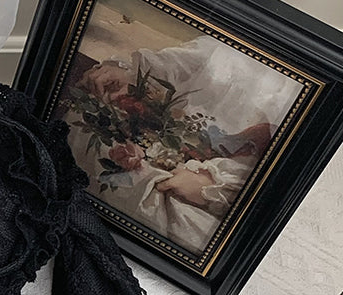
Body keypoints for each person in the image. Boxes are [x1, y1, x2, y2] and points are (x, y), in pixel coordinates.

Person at [69, 34, 303, 253]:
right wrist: (126, 74)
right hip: (165, 146)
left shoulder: (302, 93)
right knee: (89, 121)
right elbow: (167, 66)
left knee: (195, 225)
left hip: (218, 186)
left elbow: (283, 173)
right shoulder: (225, 50)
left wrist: (210, 184)